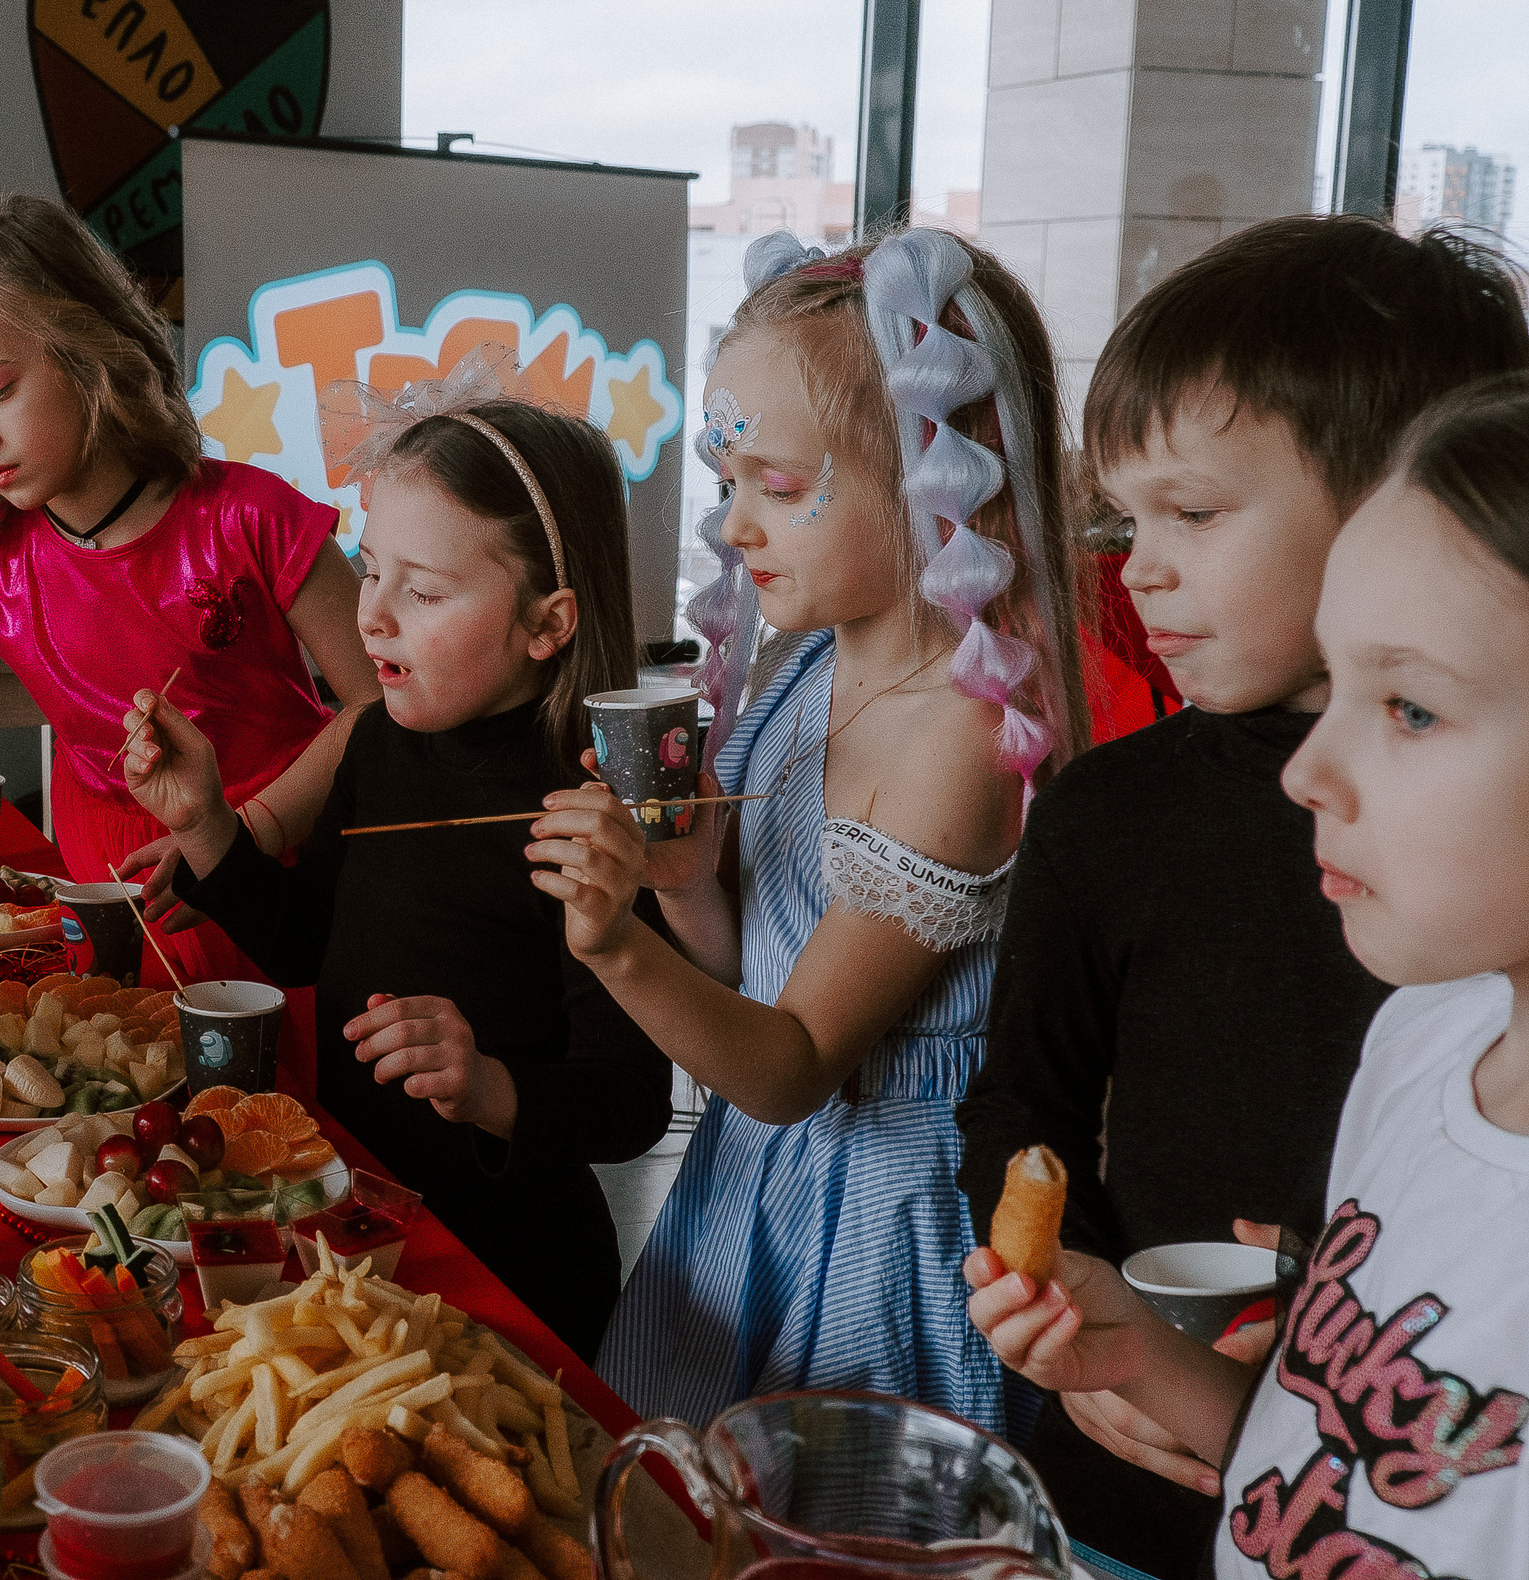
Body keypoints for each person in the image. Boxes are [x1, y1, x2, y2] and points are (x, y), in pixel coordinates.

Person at [950, 218, 1529, 1576]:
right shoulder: (1114, 808)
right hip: (1152, 1462)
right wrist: (1111, 1353)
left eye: (1195, 512)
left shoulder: (1459, 958)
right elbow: (1022, 1099)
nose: (1137, 566)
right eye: (1125, 516)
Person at [534, 226, 1087, 1429]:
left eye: (778, 489)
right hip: (754, 1189)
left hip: (874, 1236)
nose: (735, 527)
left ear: (941, 476)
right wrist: (684, 888)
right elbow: (754, 987)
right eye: (729, 485)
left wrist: (615, 948)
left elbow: (788, 1067)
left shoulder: (958, 737)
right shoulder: (804, 667)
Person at [114, 386, 677, 1359]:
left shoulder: (585, 808)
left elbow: (632, 1103)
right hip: (362, 1236)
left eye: (421, 591)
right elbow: (301, 940)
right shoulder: (375, 744)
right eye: (369, 572)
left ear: (547, 624)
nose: (370, 615)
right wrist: (206, 823)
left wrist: (491, 1086)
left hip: (512, 1278)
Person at [0, 196, 380, 1022]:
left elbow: (380, 703)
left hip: (274, 875)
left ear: (92, 350)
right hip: (106, 896)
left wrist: (243, 836)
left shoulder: (250, 517)